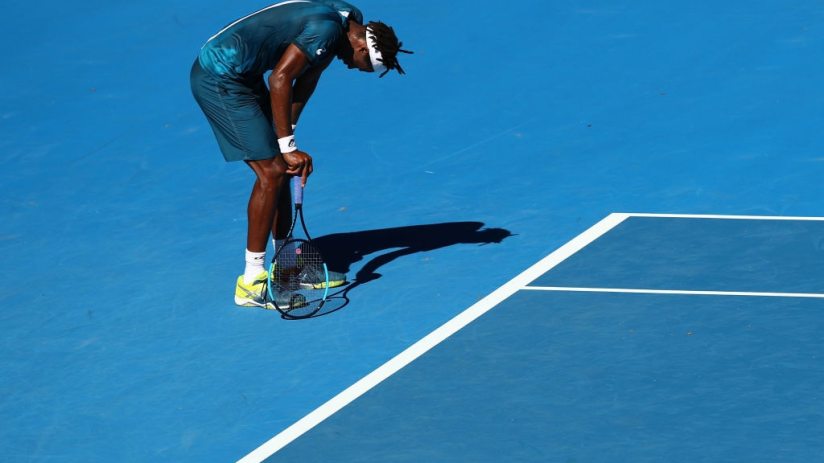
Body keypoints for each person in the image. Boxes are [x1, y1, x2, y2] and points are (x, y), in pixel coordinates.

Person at [190, 0, 411, 309]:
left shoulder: (349, 20)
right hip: (220, 78)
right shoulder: (326, 30)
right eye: (361, 68)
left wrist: (288, 133)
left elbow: (309, 75)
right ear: (362, 50)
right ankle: (252, 282)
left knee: (281, 165)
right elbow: (280, 78)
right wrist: (288, 147)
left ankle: (287, 265)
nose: (352, 69)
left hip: (244, 71)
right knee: (272, 172)